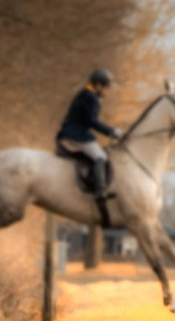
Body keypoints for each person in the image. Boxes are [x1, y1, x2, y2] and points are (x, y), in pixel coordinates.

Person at [56, 69, 122, 222]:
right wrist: (112, 131)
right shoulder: (90, 97)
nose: (107, 91)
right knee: (101, 157)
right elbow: (92, 122)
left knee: (100, 154)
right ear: (98, 85)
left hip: (73, 131)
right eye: (106, 87)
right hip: (76, 134)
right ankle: (100, 192)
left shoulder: (86, 94)